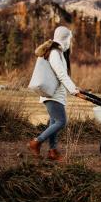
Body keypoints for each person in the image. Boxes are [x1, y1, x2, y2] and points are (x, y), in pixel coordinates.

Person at [28, 26, 79, 161]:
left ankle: (52, 151)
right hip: (53, 94)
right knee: (61, 121)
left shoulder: (59, 52)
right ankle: (36, 142)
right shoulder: (55, 53)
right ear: (65, 38)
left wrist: (74, 88)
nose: (70, 41)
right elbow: (61, 74)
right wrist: (73, 90)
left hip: (56, 93)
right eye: (69, 38)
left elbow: (62, 75)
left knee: (53, 122)